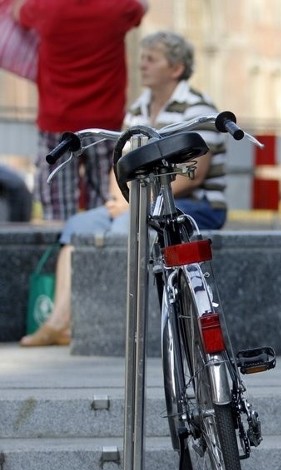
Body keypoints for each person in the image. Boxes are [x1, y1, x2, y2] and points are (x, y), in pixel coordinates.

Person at [20, 30, 228, 347]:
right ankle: (59, 322)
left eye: (151, 59)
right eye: (142, 58)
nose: (141, 64)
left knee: (124, 225)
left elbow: (193, 176)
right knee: (79, 226)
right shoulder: (138, 109)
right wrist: (118, 196)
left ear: (175, 68)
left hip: (196, 206)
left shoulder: (197, 107)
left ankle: (105, 327)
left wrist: (135, 206)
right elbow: (121, 159)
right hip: (138, 201)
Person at [12, 0, 148, 221]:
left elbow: (18, 11)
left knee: (57, 205)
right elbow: (143, 7)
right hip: (104, 122)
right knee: (103, 203)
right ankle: (95, 247)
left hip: (57, 120)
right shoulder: (117, 8)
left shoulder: (46, 7)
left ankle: (61, 247)